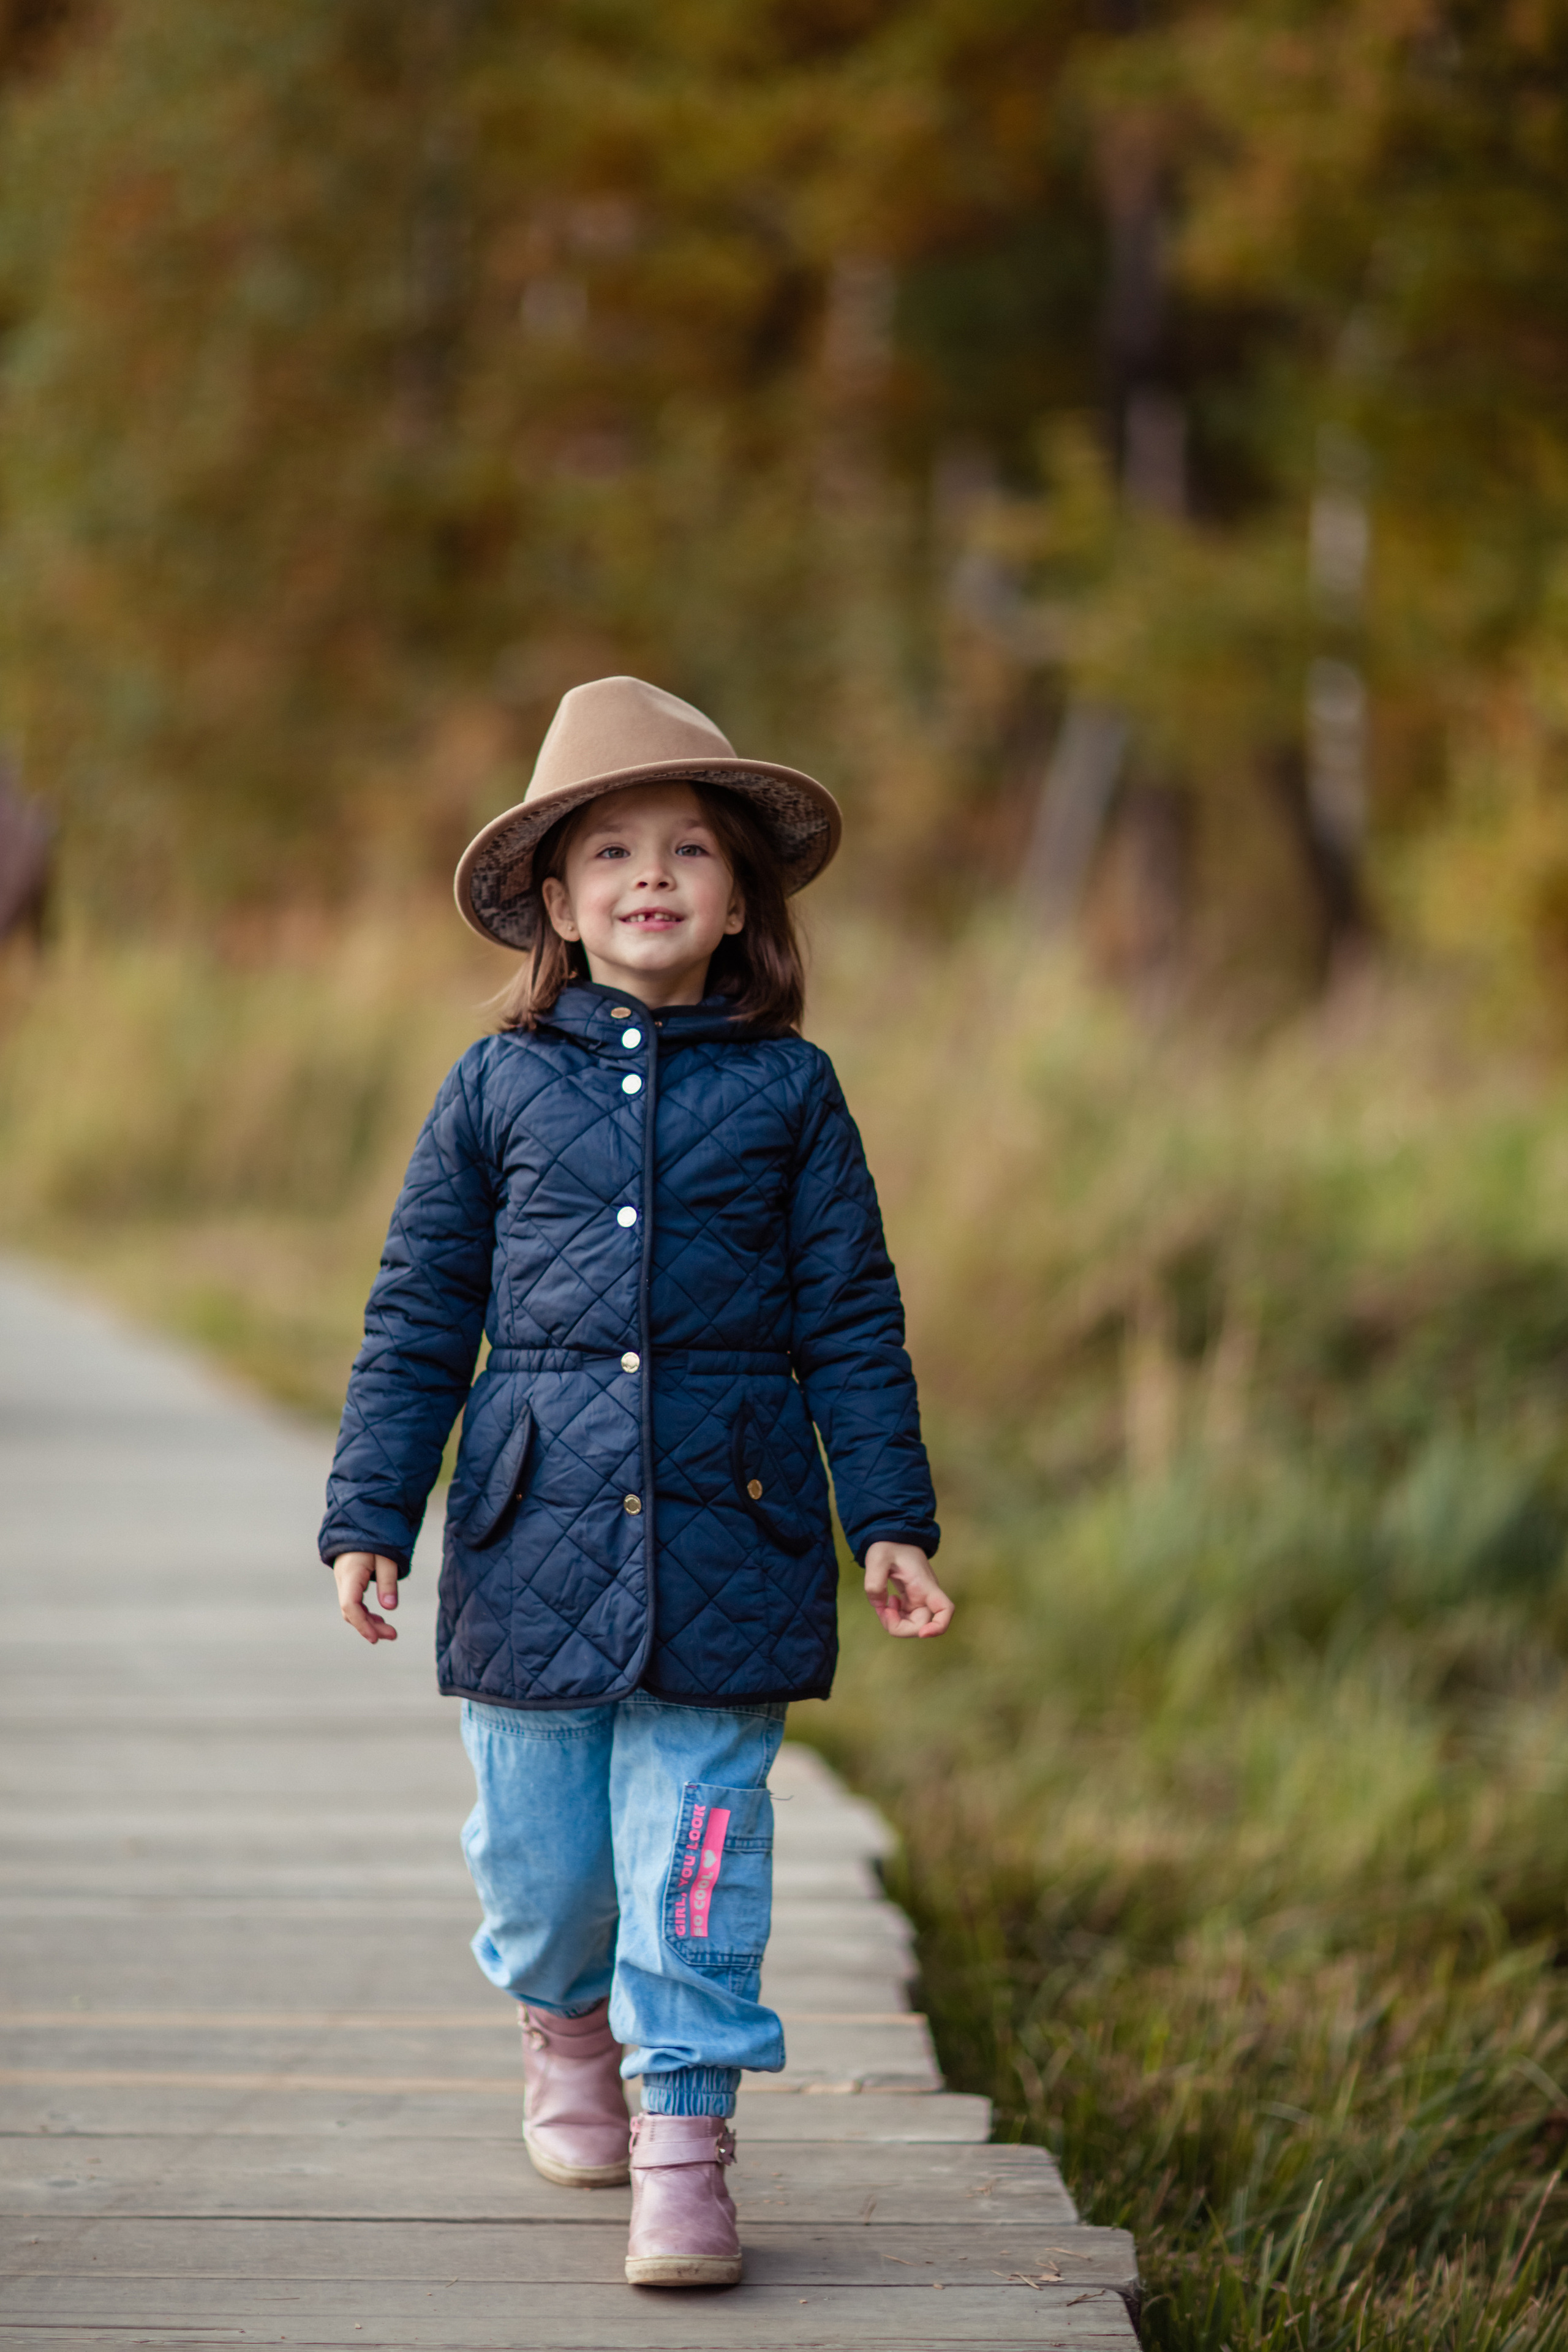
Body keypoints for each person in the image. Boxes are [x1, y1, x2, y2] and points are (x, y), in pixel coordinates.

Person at [320, 675, 951, 2289]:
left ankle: (688, 2139)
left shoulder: (792, 1097)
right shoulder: (493, 1089)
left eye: (687, 848)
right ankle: (561, 2025)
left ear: (741, 896)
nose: (651, 874)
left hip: (732, 1531)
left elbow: (854, 1324)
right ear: (556, 899)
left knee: (698, 1844)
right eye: (611, 853)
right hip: (529, 1532)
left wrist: (887, 1517)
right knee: (541, 1865)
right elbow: (415, 1320)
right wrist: (372, 1516)